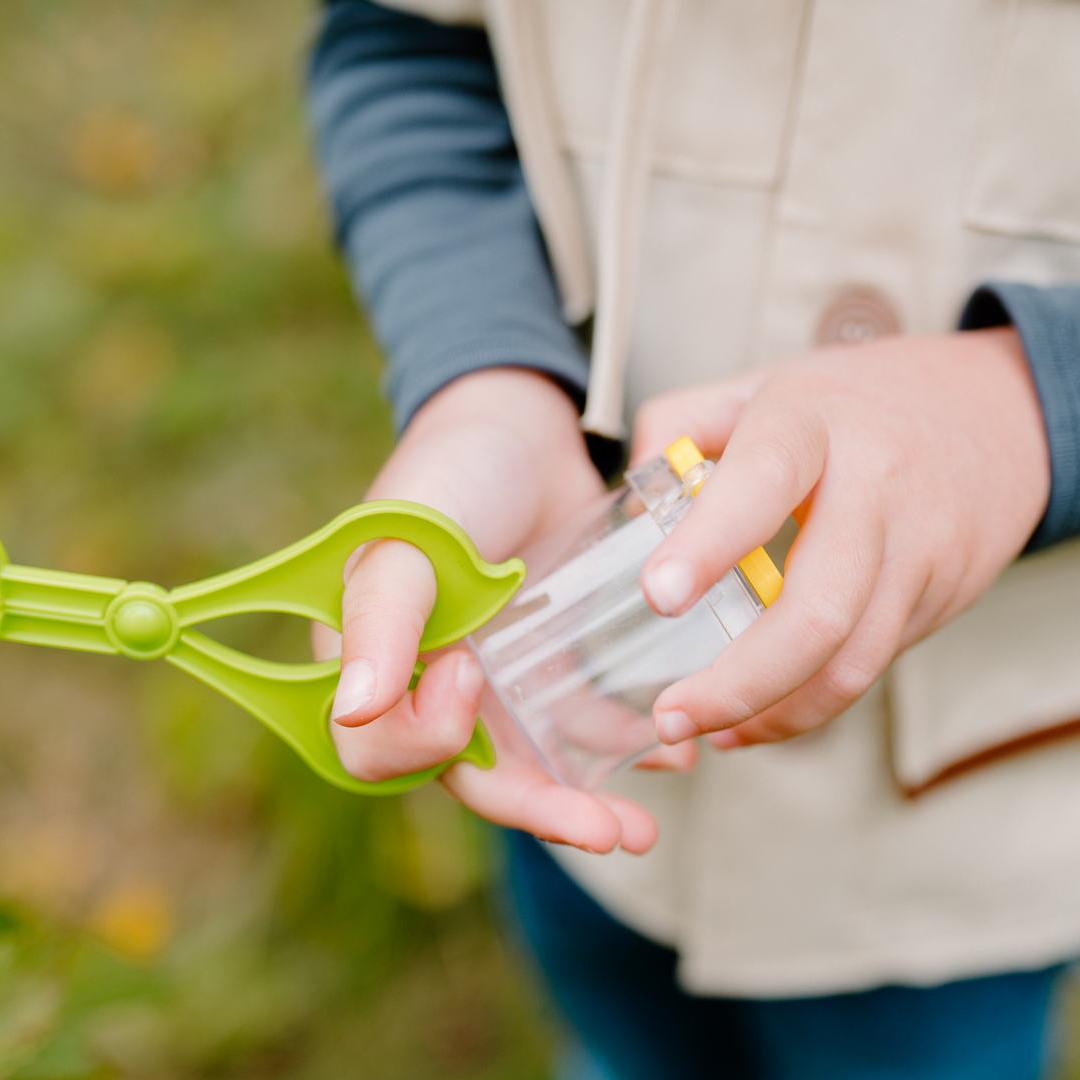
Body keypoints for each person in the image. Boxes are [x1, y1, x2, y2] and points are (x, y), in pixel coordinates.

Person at [307, 2, 1080, 1076]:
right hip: (579, 720)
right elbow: (408, 41)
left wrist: (1033, 401)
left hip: (963, 848)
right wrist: (484, 377)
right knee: (622, 1042)